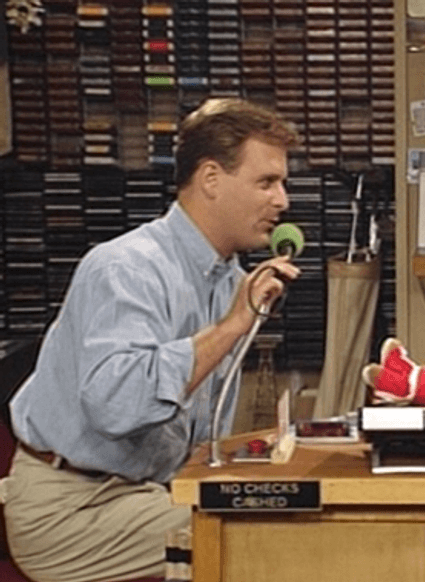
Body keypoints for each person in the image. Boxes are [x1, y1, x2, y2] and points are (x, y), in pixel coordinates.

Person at [0, 98, 301, 582]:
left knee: (295, 513)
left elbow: (200, 433)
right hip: (71, 511)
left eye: (281, 183)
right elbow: (116, 407)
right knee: (257, 536)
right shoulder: (125, 268)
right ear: (210, 179)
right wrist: (229, 328)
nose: (282, 200)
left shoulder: (229, 282)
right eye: (266, 182)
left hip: (145, 493)